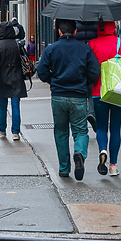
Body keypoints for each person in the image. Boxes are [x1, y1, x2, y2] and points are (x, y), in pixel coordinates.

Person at [36, 19, 100, 181]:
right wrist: (85, 83)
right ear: (76, 31)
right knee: (81, 131)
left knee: (61, 132)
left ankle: (64, 168)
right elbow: (94, 71)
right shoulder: (85, 49)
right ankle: (79, 152)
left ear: (59, 32)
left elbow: (41, 70)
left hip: (58, 96)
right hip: (78, 95)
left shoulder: (51, 49)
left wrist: (53, 80)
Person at [89, 21, 121, 176]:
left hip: (99, 92)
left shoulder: (92, 44)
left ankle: (102, 150)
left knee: (102, 127)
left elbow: (88, 68)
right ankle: (113, 165)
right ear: (113, 27)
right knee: (115, 128)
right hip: (118, 91)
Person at [0, 21, 28, 141]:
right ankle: (15, 132)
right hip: (16, 76)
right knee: (15, 105)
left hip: (2, 78)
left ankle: (2, 128)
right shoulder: (17, 44)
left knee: (3, 105)